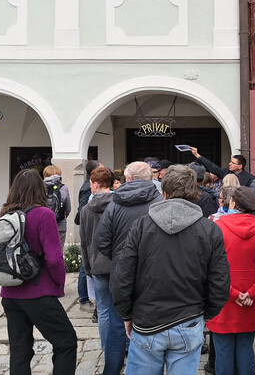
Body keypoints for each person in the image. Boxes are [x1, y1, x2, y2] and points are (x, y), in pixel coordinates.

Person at [111, 165, 230, 374]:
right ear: (194, 193)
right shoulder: (209, 229)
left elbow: (122, 277)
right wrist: (205, 315)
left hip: (150, 321)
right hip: (186, 320)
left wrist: (126, 315)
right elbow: (220, 282)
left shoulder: (142, 226)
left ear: (164, 192)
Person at [0, 169, 77, 374]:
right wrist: (60, 283)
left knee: (19, 349)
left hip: (10, 294)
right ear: (39, 190)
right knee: (66, 342)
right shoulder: (43, 214)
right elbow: (53, 257)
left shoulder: (5, 214)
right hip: (38, 292)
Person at [96, 161, 163, 375]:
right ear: (150, 178)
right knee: (154, 325)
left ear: (129, 179)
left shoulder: (115, 205)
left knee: (117, 326)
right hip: (154, 274)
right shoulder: (160, 201)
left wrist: (119, 259)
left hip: (121, 274)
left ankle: (112, 371)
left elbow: (102, 241)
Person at [208, 187, 255, 375]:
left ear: (233, 203)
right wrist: (252, 292)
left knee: (223, 351)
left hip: (221, 298)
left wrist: (232, 294)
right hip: (251, 298)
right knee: (245, 348)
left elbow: (210, 269)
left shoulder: (216, 227)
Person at [79, 167, 114, 350]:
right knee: (121, 309)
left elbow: (84, 242)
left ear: (94, 184)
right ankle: (123, 345)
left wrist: (87, 269)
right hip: (118, 265)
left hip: (98, 265)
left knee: (103, 309)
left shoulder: (86, 210)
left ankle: (107, 347)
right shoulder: (119, 204)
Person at [75, 160, 101, 312]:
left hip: (89, 227)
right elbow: (84, 208)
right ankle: (84, 299)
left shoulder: (88, 185)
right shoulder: (87, 188)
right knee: (85, 265)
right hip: (89, 228)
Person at [190, 147, 255, 187]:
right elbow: (212, 167)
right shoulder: (226, 172)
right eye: (230, 162)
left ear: (240, 166)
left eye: (233, 163)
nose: (230, 164)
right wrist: (197, 155)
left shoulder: (250, 179)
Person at [42, 165, 71, 251]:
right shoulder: (63, 188)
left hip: (43, 226)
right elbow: (68, 208)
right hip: (59, 226)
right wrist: (60, 217)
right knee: (57, 252)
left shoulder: (40, 187)